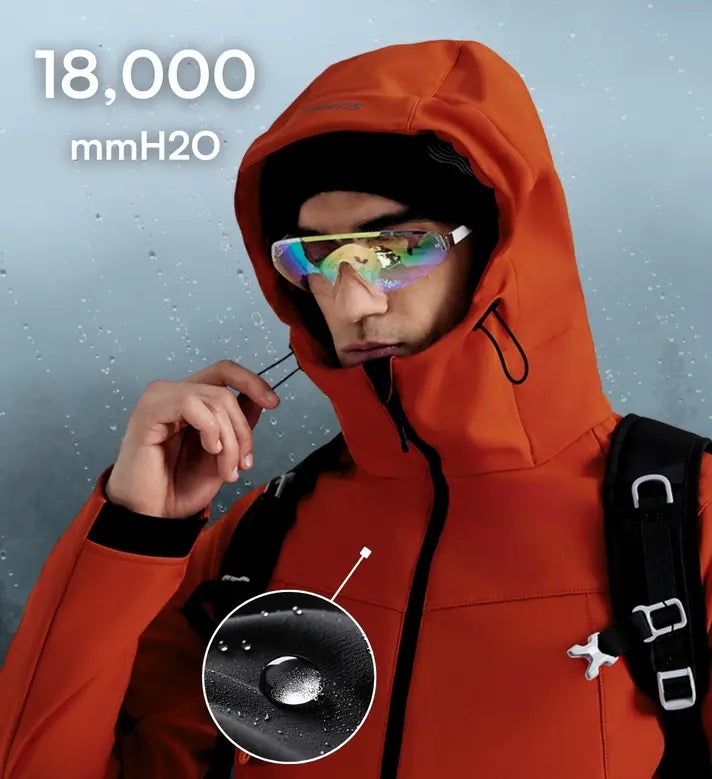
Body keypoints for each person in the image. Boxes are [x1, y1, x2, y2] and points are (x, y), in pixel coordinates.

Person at [0, 37, 711, 779]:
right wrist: (135, 531)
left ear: (502, 248)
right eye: (317, 256)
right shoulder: (258, 546)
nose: (352, 301)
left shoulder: (683, 521)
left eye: (396, 248)